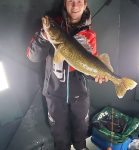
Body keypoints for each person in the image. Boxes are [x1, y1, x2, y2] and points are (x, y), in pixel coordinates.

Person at [26, 0, 108, 149]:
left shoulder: (89, 34)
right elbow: (33, 56)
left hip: (80, 95)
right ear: (64, 3)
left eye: (79, 1)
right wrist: (44, 36)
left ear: (85, 4)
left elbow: (89, 66)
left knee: (81, 130)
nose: (75, 5)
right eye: (71, 1)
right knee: (59, 135)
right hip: (54, 93)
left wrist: (97, 76)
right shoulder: (51, 27)